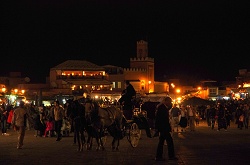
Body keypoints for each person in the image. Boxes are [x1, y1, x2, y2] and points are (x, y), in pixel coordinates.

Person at [154, 96, 178, 161]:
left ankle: (159, 156)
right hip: (164, 128)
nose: (170, 103)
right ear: (166, 101)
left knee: (162, 142)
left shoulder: (162, 107)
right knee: (169, 141)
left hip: (163, 128)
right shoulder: (162, 108)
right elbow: (161, 119)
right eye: (169, 102)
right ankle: (170, 156)